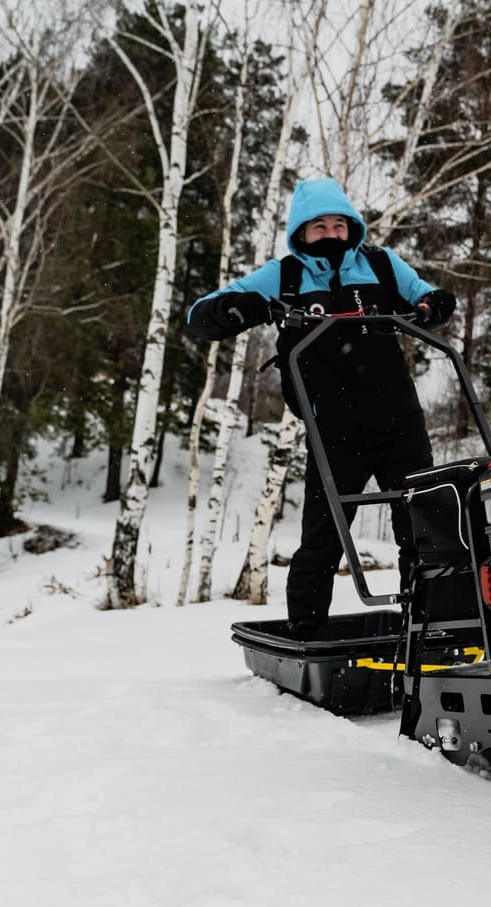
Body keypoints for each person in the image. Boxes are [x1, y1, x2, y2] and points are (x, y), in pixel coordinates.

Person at [186, 178, 456, 637]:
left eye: (338, 225)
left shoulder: (381, 265)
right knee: (323, 536)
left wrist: (434, 305)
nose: (331, 234)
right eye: (319, 227)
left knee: (424, 526)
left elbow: (426, 296)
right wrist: (241, 308)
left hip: (399, 422)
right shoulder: (286, 275)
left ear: (352, 228)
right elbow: (202, 313)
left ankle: (430, 623)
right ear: (302, 233)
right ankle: (306, 629)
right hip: (333, 429)